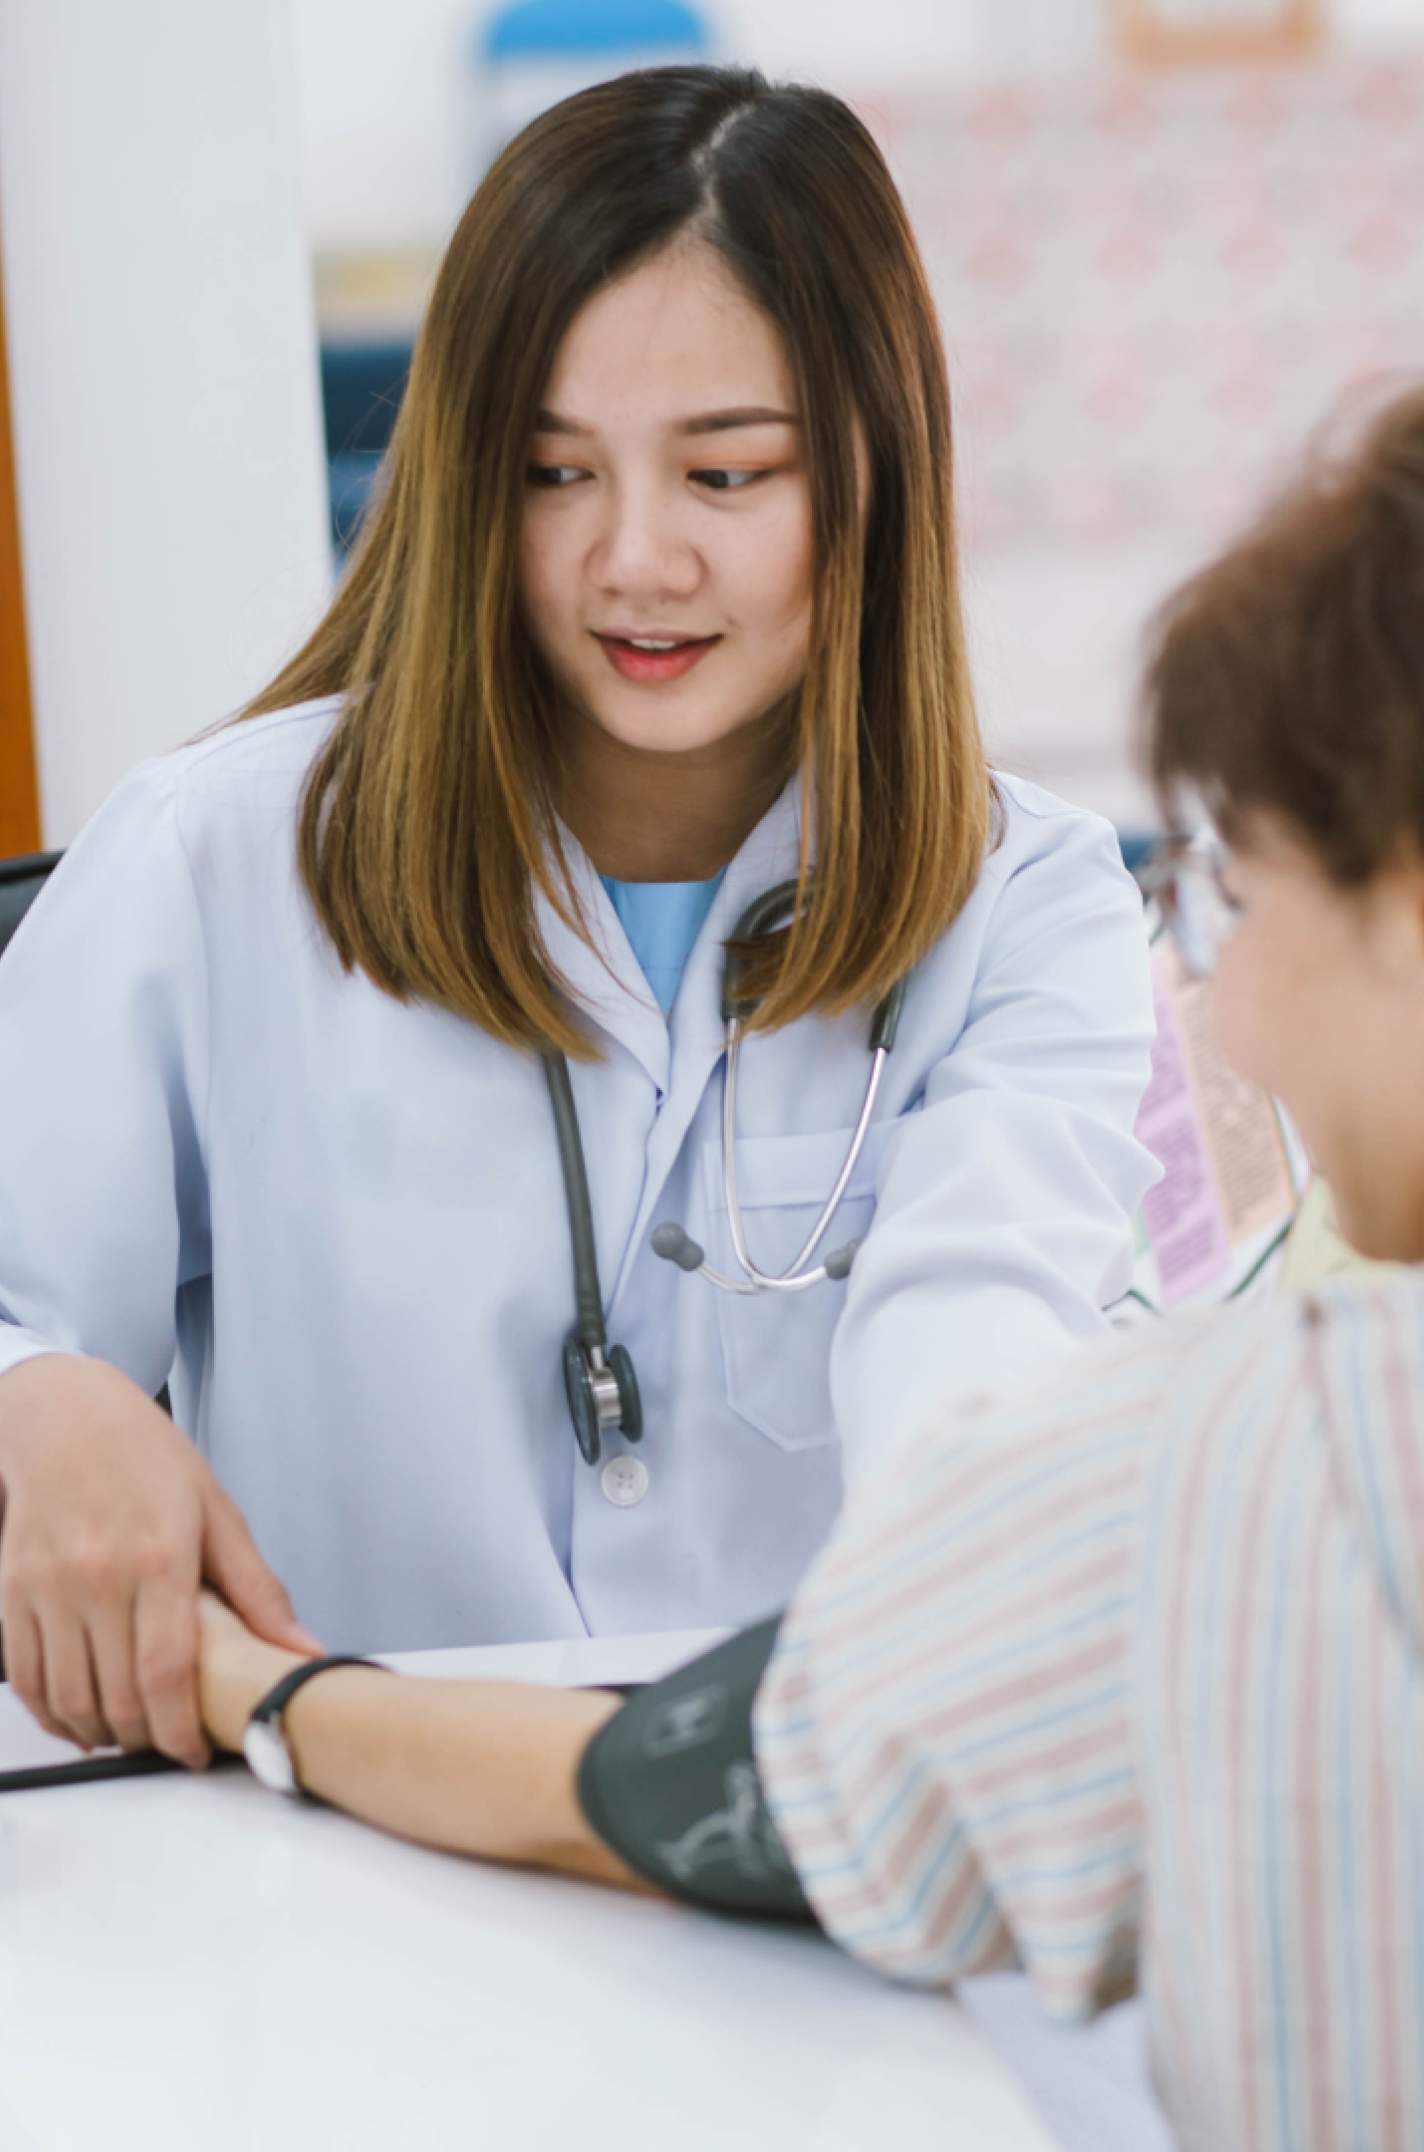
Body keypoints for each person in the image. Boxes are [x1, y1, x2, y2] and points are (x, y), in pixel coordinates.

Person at [197, 383, 1424, 2152]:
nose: (1216, 1000)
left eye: (1245, 883)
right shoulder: (226, 847)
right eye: (557, 470)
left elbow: (649, 1788)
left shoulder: (1217, 1484)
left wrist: (271, 1698)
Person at [0, 66, 1156, 1769]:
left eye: (728, 475)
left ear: (873, 473)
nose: (635, 559)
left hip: (797, 1843)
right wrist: (36, 1396)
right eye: (554, 473)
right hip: (317, 1855)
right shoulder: (213, 859)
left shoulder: (1027, 907)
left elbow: (980, 1342)